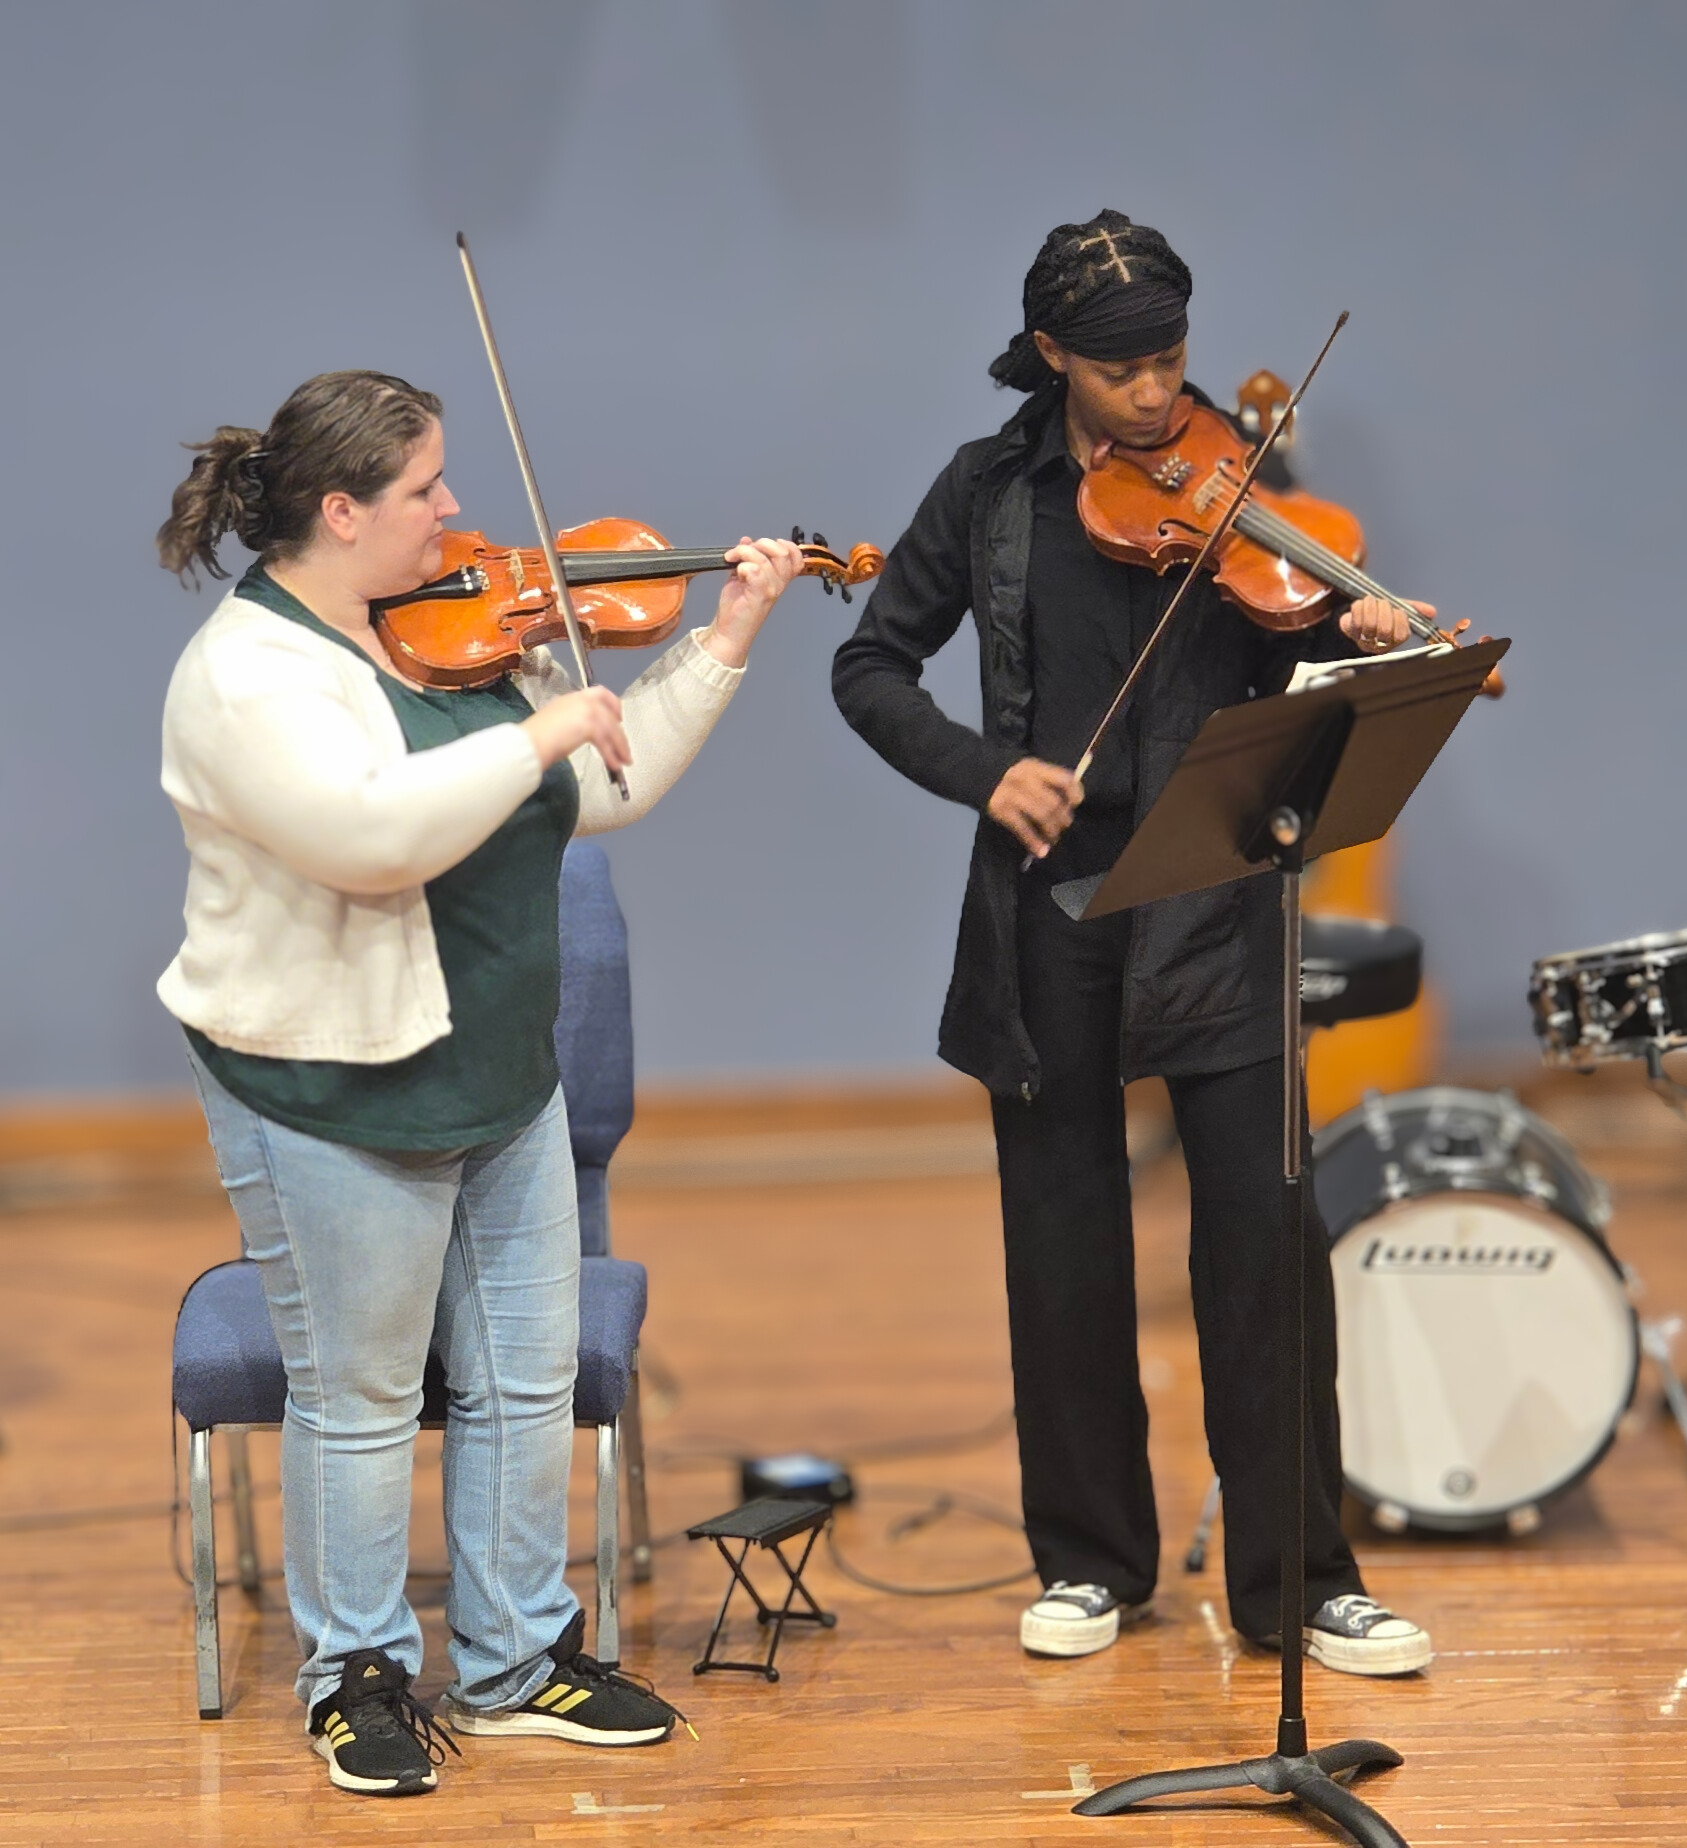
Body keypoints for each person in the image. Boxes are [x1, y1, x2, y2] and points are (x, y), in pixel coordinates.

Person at [156, 370, 803, 1796]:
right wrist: (539, 733)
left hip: (500, 1069)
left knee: (522, 1375)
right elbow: (370, 836)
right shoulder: (246, 676)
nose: (456, 508)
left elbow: (602, 787)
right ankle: (355, 1677)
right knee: (361, 1392)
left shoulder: (453, 629)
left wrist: (725, 639)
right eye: (424, 488)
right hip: (330, 1088)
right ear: (341, 511)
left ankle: (515, 1661)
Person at [832, 212, 1434, 1676]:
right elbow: (871, 664)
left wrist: (1358, 637)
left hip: (1217, 899)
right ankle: (1092, 1562)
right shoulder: (987, 492)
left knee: (1265, 1246)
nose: (1160, 396)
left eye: (1172, 360)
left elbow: (1290, 638)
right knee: (1065, 1242)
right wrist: (988, 773)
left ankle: (1303, 1581)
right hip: (1049, 907)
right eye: (1124, 373)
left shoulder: (1241, 476)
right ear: (1052, 356)